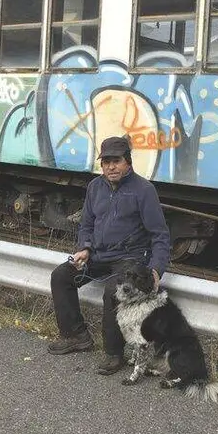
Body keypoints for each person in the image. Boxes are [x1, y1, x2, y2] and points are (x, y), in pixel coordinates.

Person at [46, 135, 171, 376]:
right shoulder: (95, 187)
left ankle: (114, 353)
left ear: (128, 162)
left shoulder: (144, 190)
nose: (111, 167)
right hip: (98, 255)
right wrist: (84, 247)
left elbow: (160, 235)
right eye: (106, 162)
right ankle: (76, 336)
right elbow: (86, 225)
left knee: (112, 291)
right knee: (61, 276)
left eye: (116, 161)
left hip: (129, 259)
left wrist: (155, 270)